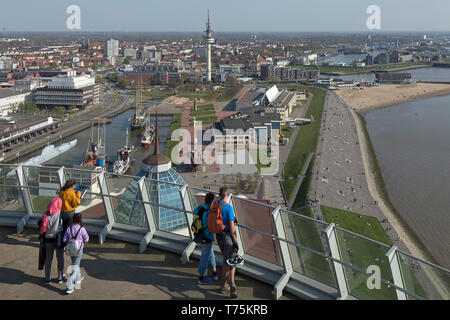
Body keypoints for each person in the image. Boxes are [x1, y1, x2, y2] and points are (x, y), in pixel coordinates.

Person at [215, 187, 239, 298]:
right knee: (227, 262)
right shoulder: (228, 208)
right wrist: (235, 240)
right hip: (228, 238)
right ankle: (224, 286)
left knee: (232, 258)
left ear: (219, 195)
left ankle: (230, 283)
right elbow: (231, 226)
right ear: (228, 195)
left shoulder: (215, 205)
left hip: (219, 237)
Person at [39, 197, 65, 284]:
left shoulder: (46, 214)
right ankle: (60, 277)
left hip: (48, 238)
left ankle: (47, 278)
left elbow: (42, 227)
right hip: (58, 239)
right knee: (60, 257)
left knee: (48, 258)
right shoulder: (61, 213)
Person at [194, 192, 218, 284]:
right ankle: (201, 277)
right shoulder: (209, 213)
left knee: (210, 254)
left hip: (198, 236)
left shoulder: (198, 208)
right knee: (204, 258)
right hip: (207, 238)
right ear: (212, 202)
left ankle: (215, 272)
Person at [63, 212, 89, 294]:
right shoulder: (82, 229)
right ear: (80, 220)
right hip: (79, 250)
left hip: (71, 250)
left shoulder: (69, 228)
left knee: (75, 264)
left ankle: (79, 277)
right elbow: (87, 239)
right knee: (75, 266)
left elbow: (64, 239)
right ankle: (70, 286)